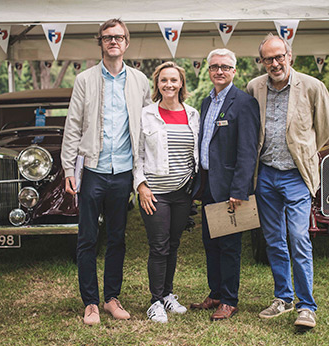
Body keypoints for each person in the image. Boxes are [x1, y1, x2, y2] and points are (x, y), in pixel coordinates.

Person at [61, 18, 151, 326]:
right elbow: (72, 126)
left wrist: (144, 172)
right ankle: (90, 303)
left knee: (117, 237)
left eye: (118, 37)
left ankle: (112, 298)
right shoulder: (85, 80)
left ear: (126, 43)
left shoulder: (140, 81)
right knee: (87, 238)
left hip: (123, 171)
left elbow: (147, 126)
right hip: (93, 170)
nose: (113, 41)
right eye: (107, 37)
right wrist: (67, 168)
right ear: (100, 43)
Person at [247, 34, 329, 329]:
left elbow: (323, 131)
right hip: (266, 174)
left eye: (279, 56)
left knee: (298, 237)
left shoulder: (312, 86)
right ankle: (283, 297)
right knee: (273, 240)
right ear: (262, 62)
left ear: (290, 56)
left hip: (296, 175)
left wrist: (302, 153)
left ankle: (306, 306)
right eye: (268, 58)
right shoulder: (254, 88)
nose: (274, 63)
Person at [189, 48, 260, 321]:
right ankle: (216, 292)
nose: (220, 71)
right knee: (210, 242)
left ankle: (230, 300)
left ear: (234, 71)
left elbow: (247, 151)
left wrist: (239, 190)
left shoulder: (244, 103)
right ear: (208, 71)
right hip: (208, 183)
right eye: (214, 66)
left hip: (231, 187)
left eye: (225, 67)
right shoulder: (207, 102)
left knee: (229, 245)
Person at [133, 62, 200, 323]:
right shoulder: (146, 114)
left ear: (181, 83)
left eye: (174, 80)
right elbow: (137, 154)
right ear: (157, 84)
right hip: (155, 193)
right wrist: (141, 186)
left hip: (183, 192)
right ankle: (155, 302)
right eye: (164, 80)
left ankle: (168, 294)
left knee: (173, 244)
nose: (169, 85)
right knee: (159, 246)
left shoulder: (192, 114)